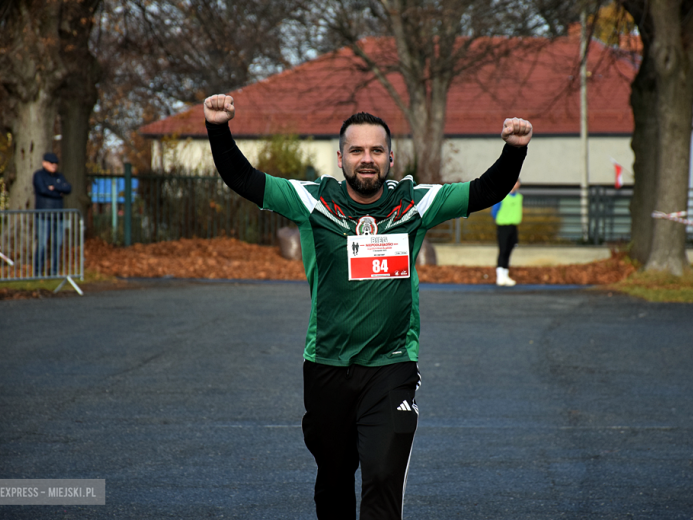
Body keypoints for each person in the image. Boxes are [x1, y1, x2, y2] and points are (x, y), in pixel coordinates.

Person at [204, 94, 531, 520]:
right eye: (356, 150)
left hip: (391, 366)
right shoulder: (312, 201)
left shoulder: (414, 203)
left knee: (381, 478)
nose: (367, 159)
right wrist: (218, 128)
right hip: (327, 366)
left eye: (376, 150)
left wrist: (514, 150)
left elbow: (483, 190)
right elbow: (242, 178)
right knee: (334, 484)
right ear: (340, 158)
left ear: (390, 158)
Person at [33, 152, 72, 276]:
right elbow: (43, 190)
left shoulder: (59, 176)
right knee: (42, 244)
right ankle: (38, 271)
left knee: (57, 244)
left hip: (58, 216)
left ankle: (54, 271)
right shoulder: (39, 175)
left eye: (55, 163)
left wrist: (54, 187)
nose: (54, 165)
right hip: (43, 215)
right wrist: (58, 191)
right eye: (51, 163)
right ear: (44, 163)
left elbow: (68, 188)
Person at [491, 179, 523, 286]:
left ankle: (505, 274)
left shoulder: (519, 197)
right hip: (503, 226)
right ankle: (500, 275)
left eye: (517, 182)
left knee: (509, 250)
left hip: (513, 226)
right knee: (503, 250)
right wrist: (499, 219)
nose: (516, 184)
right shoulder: (502, 196)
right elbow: (494, 211)